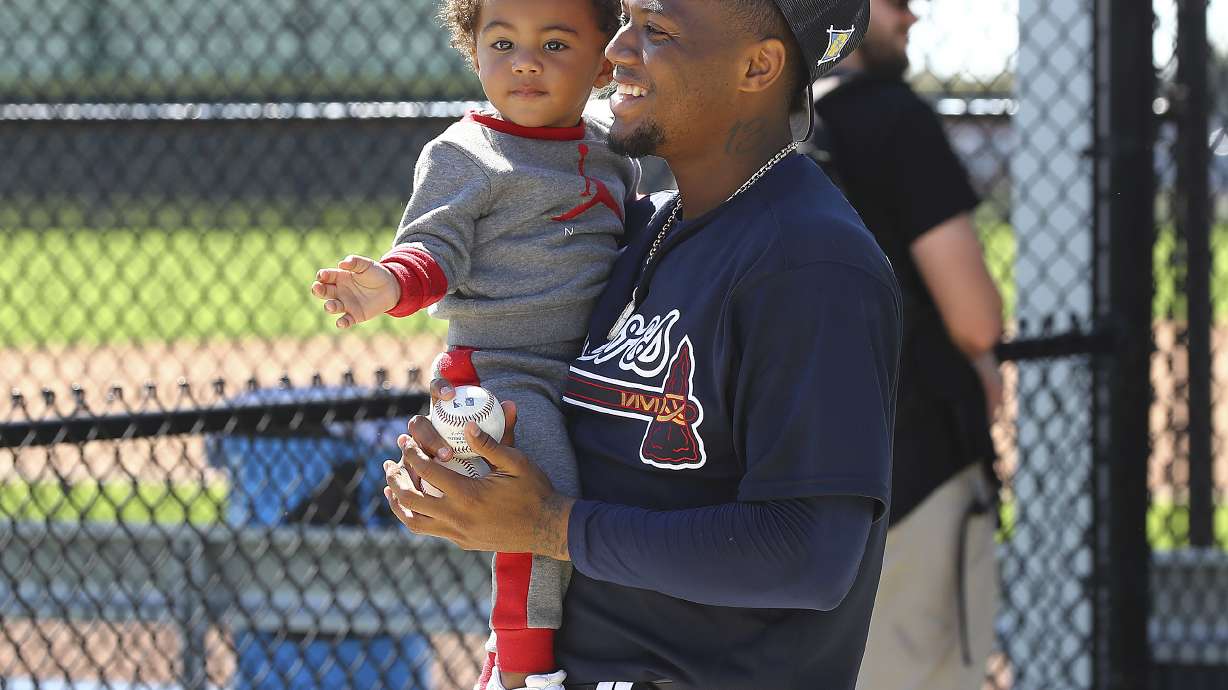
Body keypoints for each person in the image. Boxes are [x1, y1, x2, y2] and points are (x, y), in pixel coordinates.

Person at [383, 1, 903, 689]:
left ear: (759, 65)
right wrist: (475, 459)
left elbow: (807, 556)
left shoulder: (810, 263)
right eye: (626, 19)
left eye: (656, 30)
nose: (618, 50)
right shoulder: (637, 229)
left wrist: (551, 526)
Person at [310, 0, 637, 686]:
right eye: (502, 42)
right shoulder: (467, 152)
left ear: (605, 58)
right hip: (501, 374)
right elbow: (431, 249)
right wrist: (387, 286)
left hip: (586, 371)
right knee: (540, 505)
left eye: (554, 43)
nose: (525, 61)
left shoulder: (613, 146)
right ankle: (518, 669)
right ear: (473, 51)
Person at [804, 1, 1006, 687]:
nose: (912, 19)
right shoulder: (893, 116)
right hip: (913, 468)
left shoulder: (754, 125)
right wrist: (982, 361)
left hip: (783, 490)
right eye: (894, 4)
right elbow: (974, 316)